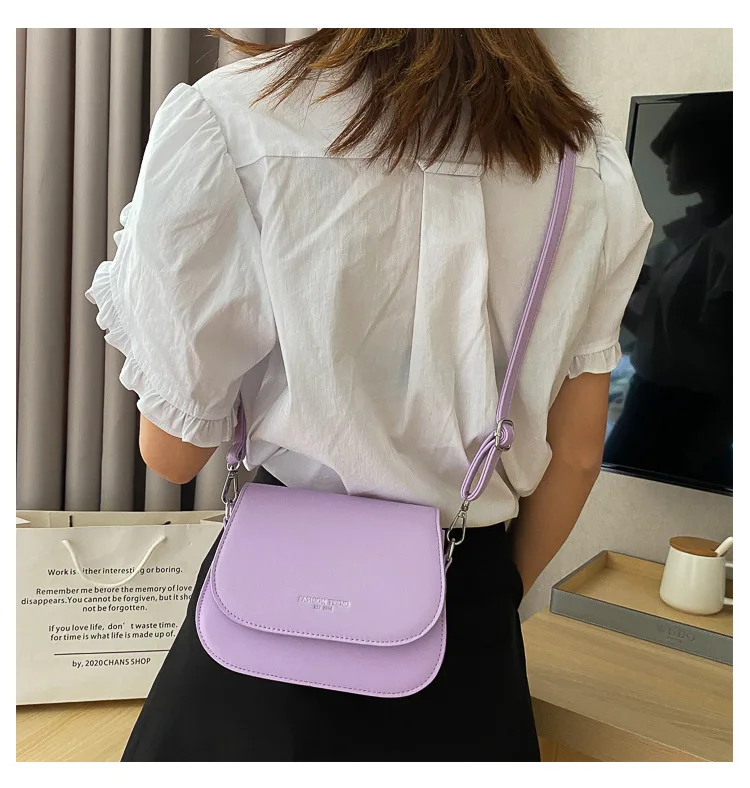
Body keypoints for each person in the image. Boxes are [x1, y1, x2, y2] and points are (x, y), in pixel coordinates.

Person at [86, 29, 652, 762]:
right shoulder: (586, 161)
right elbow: (576, 455)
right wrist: (485, 591)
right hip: (464, 598)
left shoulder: (234, 118)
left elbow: (172, 453)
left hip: (268, 608)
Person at [604, 93, 732, 488]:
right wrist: (617, 296)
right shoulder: (693, 235)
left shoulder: (729, 241)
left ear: (709, 146)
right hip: (650, 398)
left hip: (688, 415)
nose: (663, 157)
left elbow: (721, 359)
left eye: (675, 142)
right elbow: (668, 340)